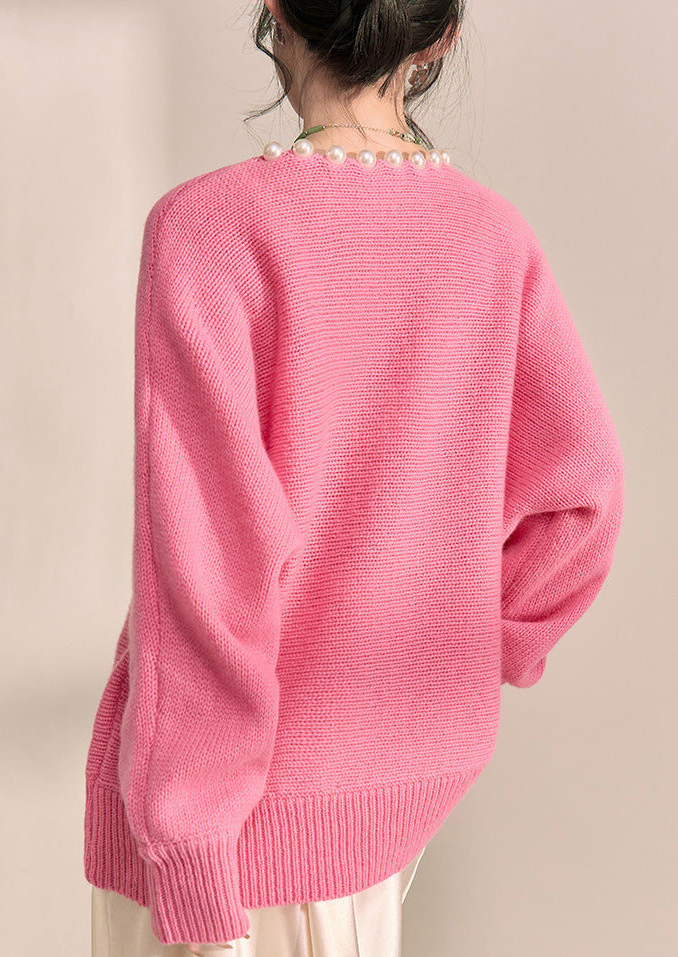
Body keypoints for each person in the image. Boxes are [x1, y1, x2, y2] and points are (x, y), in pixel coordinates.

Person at [83, 0, 626, 954]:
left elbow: (206, 565)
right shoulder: (491, 239)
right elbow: (582, 504)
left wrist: (189, 838)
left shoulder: (208, 230)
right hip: (387, 816)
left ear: (275, 10)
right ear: (440, 35)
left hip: (234, 843)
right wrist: (461, 652)